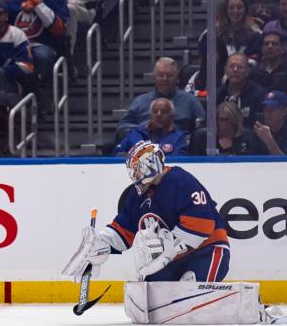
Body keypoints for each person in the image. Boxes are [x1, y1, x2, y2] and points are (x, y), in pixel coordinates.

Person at [62, 141, 230, 283]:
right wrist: (102, 245)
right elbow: (124, 229)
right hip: (172, 260)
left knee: (190, 286)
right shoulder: (137, 195)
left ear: (151, 164)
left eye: (137, 169)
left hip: (207, 251)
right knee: (149, 286)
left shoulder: (181, 181)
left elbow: (202, 225)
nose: (134, 175)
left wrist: (166, 247)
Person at [117, 57, 205, 139]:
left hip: (180, 146)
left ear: (177, 78)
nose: (165, 79)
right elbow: (123, 126)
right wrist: (145, 127)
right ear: (154, 78)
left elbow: (203, 125)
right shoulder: (140, 101)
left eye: (169, 75)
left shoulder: (190, 101)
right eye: (160, 75)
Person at [114, 98, 190, 156]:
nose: (159, 114)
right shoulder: (136, 134)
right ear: (150, 115)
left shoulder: (179, 137)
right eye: (155, 111)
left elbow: (180, 160)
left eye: (163, 111)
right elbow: (118, 153)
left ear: (171, 116)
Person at [250, 90, 287, 155]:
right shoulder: (259, 130)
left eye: (272, 109)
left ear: (284, 111)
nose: (267, 113)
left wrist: (269, 140)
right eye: (265, 109)